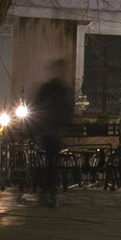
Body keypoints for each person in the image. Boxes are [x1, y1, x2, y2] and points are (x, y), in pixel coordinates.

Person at [30, 59, 75, 207]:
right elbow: (40, 106)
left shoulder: (60, 89)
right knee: (50, 162)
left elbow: (66, 110)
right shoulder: (52, 89)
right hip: (49, 130)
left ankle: (49, 190)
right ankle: (48, 190)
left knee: (51, 162)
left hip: (53, 130)